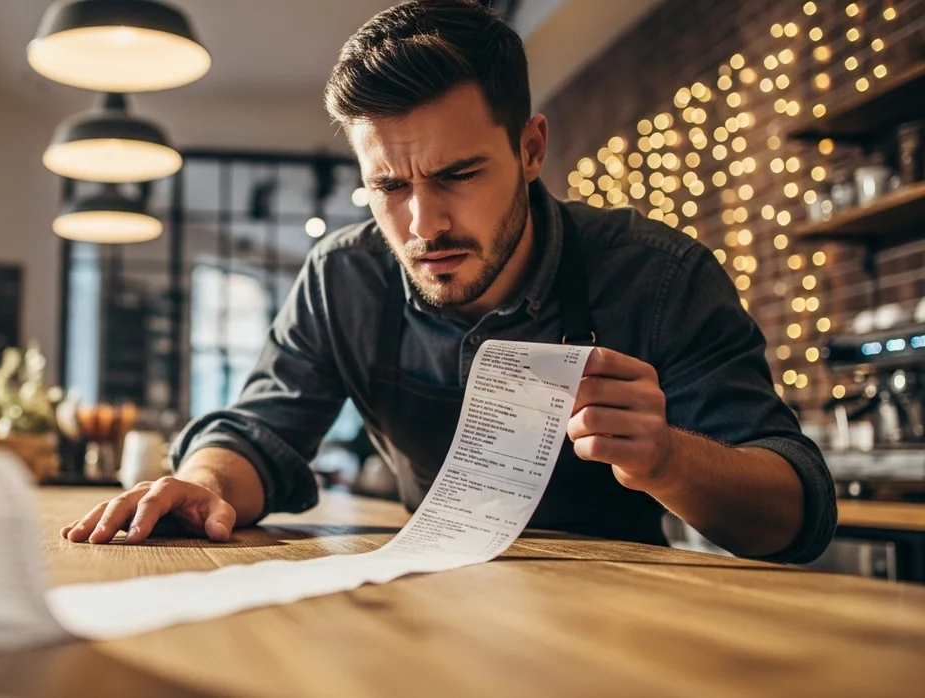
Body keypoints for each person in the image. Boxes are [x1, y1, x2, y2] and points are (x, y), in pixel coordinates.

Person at [62, 0, 836, 563]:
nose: (423, 223)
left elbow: (798, 514)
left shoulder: (656, 276)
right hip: (427, 600)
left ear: (532, 150)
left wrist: (668, 457)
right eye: (388, 187)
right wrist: (205, 481)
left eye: (458, 174)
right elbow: (261, 433)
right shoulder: (347, 277)